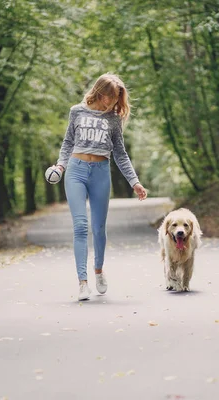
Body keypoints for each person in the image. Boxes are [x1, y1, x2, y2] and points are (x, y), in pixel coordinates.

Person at [51, 73, 148, 301]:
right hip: (76, 170)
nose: (113, 102)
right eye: (111, 97)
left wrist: (135, 182)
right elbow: (67, 142)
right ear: (100, 92)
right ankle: (82, 282)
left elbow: (121, 154)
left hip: (101, 173)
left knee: (99, 228)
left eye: (117, 99)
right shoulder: (76, 111)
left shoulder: (113, 119)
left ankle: (98, 271)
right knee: (81, 226)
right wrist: (60, 166)